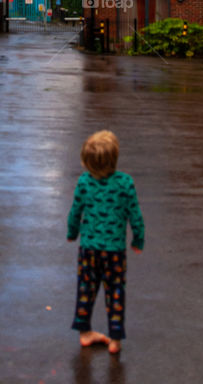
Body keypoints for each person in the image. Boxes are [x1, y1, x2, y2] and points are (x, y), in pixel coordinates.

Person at [66, 129, 144, 354]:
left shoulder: (84, 182)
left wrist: (72, 233)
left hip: (89, 249)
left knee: (86, 289)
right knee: (116, 291)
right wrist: (138, 239)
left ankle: (84, 332)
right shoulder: (125, 183)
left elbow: (75, 211)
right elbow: (135, 215)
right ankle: (115, 339)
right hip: (115, 252)